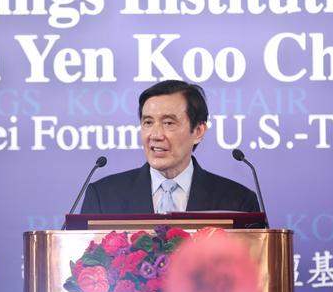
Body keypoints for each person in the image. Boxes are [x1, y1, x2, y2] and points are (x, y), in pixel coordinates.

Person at [80, 80, 259, 214]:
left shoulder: (238, 202)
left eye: (168, 123)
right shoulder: (103, 197)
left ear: (198, 131)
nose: (155, 135)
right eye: (148, 122)